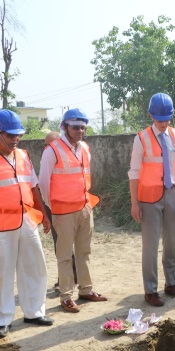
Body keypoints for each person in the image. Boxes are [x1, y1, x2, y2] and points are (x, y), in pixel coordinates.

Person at [39, 108, 107, 313]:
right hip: (63, 212)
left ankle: (86, 290)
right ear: (65, 127)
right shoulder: (52, 150)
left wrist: (85, 204)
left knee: (84, 252)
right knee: (65, 255)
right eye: (75, 127)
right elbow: (43, 183)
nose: (79, 131)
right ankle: (66, 296)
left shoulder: (84, 148)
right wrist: (54, 207)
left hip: (84, 207)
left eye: (82, 127)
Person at [128, 93, 175, 307]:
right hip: (149, 198)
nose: (163, 123)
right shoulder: (141, 138)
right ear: (151, 116)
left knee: (171, 241)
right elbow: (134, 172)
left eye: (167, 119)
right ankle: (150, 290)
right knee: (151, 245)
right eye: (159, 119)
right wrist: (134, 203)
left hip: (173, 193)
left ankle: (171, 284)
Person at [0, 110, 54, 338]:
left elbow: (33, 186)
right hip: (2, 223)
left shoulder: (23, 155)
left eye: (18, 135)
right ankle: (3, 318)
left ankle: (33, 312)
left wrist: (43, 214)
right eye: (10, 135)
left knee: (35, 265)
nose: (15, 139)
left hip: (27, 219)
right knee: (2, 272)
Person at [44, 131, 76, 293]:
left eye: (50, 144)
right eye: (46, 144)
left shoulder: (66, 157)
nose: (48, 148)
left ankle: (67, 280)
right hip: (54, 206)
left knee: (63, 245)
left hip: (65, 208)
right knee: (62, 244)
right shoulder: (50, 156)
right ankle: (70, 278)